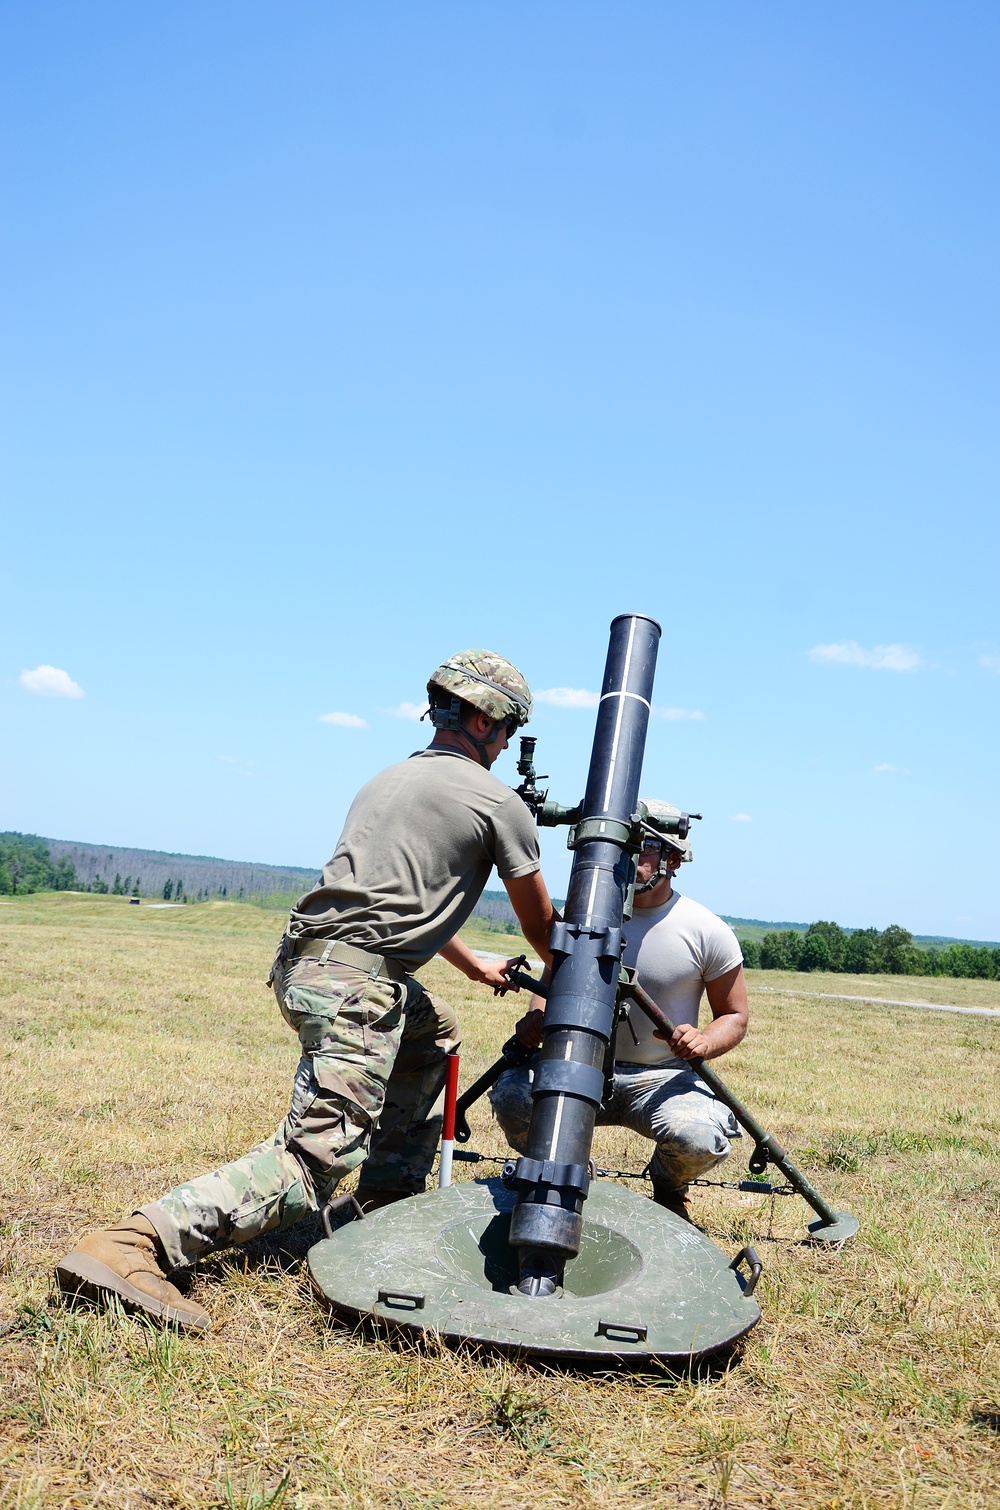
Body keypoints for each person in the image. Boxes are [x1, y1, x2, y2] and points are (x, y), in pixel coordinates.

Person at [56, 650, 557, 1330]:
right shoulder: (498, 802)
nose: (504, 746)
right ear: (482, 719)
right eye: (506, 729)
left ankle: (382, 1205)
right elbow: (543, 928)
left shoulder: (394, 777)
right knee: (317, 1157)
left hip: (310, 963)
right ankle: (135, 1244)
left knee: (432, 1034)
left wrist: (471, 968)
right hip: (356, 984)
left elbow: (392, 899)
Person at [489, 799, 748, 1221]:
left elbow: (735, 1015)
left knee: (698, 1139)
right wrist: (537, 1019)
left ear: (674, 859)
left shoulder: (707, 930)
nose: (630, 857)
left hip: (662, 1077)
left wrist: (702, 1040)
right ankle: (563, 1170)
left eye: (644, 847)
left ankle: (668, 1185)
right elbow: (554, 976)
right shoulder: (585, 916)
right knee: (514, 1098)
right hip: (578, 1063)